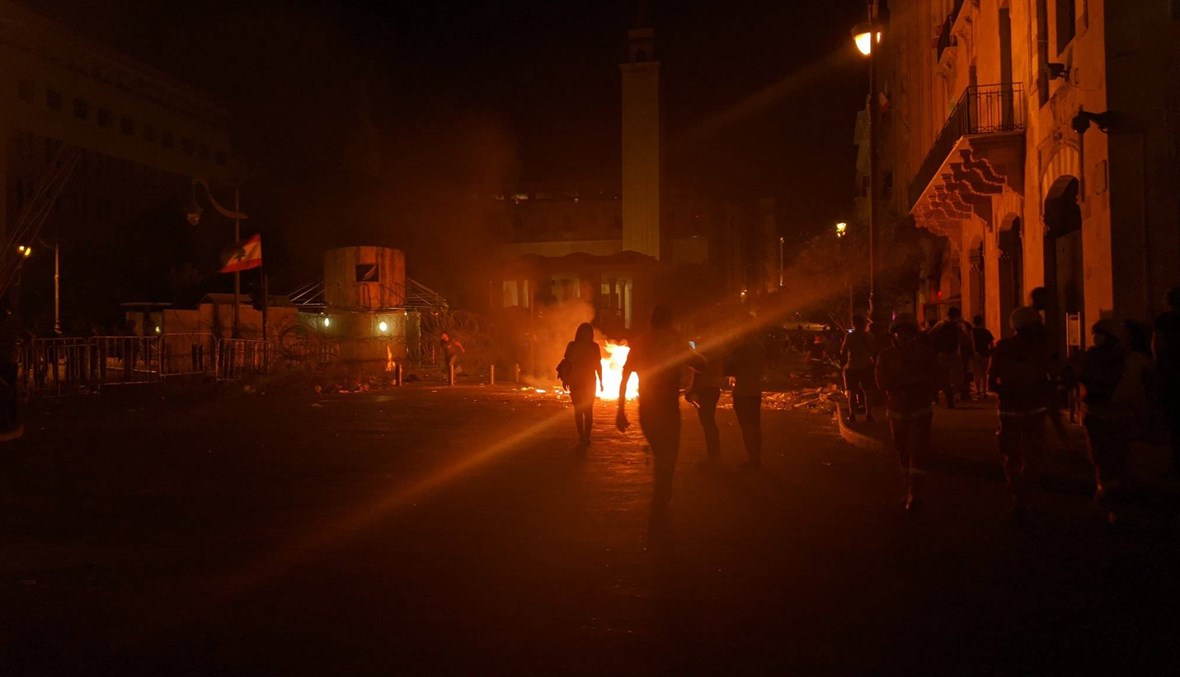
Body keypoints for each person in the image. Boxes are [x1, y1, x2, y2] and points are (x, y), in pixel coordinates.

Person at [617, 305, 702, 521]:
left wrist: (620, 410)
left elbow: (625, 377)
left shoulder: (642, 343)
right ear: (670, 321)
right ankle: (662, 498)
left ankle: (660, 499)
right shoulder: (674, 341)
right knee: (668, 456)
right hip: (667, 408)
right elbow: (699, 364)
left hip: (647, 409)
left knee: (661, 454)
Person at [988, 307, 1060, 517]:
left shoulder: (1003, 347)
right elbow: (1051, 378)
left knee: (1012, 456)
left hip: (1010, 411)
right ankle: (1028, 496)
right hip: (1033, 411)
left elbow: (991, 382)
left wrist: (1009, 393)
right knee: (1032, 455)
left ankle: (1018, 496)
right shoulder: (1041, 349)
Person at [1079, 320, 1151, 524]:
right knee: (1118, 458)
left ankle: (1109, 501)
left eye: (1098, 332)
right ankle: (1112, 500)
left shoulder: (1093, 357)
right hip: (1119, 415)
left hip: (1098, 415)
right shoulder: (1132, 359)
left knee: (1103, 459)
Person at [876, 314, 939, 510]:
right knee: (902, 449)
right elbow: (881, 381)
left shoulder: (926, 353)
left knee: (918, 452)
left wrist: (920, 386)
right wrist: (903, 386)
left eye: (908, 332)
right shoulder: (885, 355)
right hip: (897, 409)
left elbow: (936, 378)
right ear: (893, 334)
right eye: (900, 332)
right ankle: (907, 487)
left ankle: (915, 492)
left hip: (920, 408)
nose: (904, 336)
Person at [727, 326, 767, 469]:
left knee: (746, 426)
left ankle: (752, 458)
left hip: (742, 391)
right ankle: (756, 458)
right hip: (755, 391)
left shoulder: (740, 349)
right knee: (755, 426)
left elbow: (729, 369)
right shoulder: (760, 348)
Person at [561, 322, 603, 446]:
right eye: (584, 331)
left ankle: (587, 434)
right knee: (578, 410)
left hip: (590, 381)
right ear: (579, 333)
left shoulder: (594, 347)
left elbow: (598, 365)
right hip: (576, 381)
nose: (586, 334)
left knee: (588, 409)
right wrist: (565, 379)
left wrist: (601, 381)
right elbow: (566, 363)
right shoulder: (572, 346)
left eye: (588, 332)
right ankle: (581, 434)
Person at [1153, 287, 1180, 477]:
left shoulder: (1164, 320)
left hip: (1171, 373)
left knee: (1174, 421)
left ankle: (1176, 464)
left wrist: (1158, 365)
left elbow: (1157, 344)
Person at [685, 335, 725, 464]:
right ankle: (714, 453)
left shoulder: (704, 356)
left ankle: (713, 455)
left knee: (707, 422)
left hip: (705, 390)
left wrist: (691, 391)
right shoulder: (718, 355)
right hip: (714, 390)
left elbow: (698, 375)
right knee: (709, 422)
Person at [929, 306, 971, 408]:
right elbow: (965, 340)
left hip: (941, 354)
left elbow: (930, 335)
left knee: (943, 376)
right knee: (956, 377)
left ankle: (942, 396)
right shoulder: (958, 326)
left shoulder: (940, 324)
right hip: (954, 354)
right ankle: (952, 395)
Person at [839, 315, 876, 425]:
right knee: (867, 392)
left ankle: (852, 415)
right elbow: (874, 350)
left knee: (852, 392)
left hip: (852, 367)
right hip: (867, 366)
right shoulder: (870, 336)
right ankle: (869, 415)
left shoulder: (850, 337)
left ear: (854, 324)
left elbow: (843, 351)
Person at [0, 304, 24, 438]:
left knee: (6, 392)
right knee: (7, 393)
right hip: (8, 362)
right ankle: (7, 420)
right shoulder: (10, 327)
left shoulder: (8, 328)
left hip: (6, 363)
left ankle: (5, 421)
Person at [971, 314, 995, 400]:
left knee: (976, 373)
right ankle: (984, 391)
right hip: (985, 354)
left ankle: (978, 392)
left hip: (975, 354)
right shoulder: (986, 332)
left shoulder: (971, 332)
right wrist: (990, 353)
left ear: (973, 322)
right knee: (984, 373)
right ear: (982, 322)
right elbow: (992, 344)